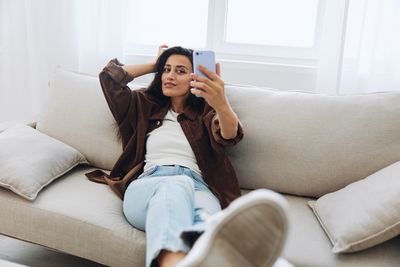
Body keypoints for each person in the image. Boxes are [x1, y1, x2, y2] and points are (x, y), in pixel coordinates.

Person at [85, 45, 289, 267]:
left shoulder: (206, 113)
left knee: (209, 226)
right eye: (166, 69)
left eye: (180, 71)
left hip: (199, 188)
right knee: (176, 185)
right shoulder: (144, 106)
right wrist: (156, 64)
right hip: (148, 187)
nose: (170, 76)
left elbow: (230, 135)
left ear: (194, 78)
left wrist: (221, 103)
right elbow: (109, 78)